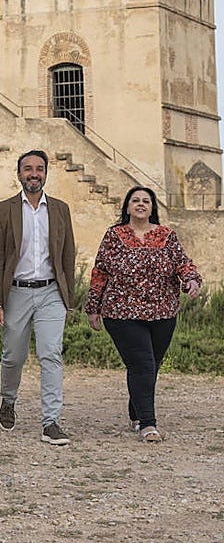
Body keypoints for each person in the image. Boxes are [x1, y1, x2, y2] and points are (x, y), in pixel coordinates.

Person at [85, 186, 201, 442]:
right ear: (127, 207)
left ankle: (136, 412)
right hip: (121, 311)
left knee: (151, 366)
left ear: (152, 208)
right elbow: (100, 271)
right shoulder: (114, 235)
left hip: (163, 312)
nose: (140, 204)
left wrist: (191, 280)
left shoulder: (167, 235)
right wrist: (93, 307)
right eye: (135, 200)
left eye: (145, 201)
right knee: (142, 364)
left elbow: (183, 263)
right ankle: (148, 424)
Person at [0, 149, 77, 446]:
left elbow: (68, 255)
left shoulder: (60, 209)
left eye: (39, 169)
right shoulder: (4, 210)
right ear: (19, 174)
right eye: (28, 169)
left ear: (46, 173)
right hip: (16, 292)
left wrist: (68, 298)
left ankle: (51, 421)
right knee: (14, 356)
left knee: (51, 354)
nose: (34, 174)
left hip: (51, 292)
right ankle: (8, 399)